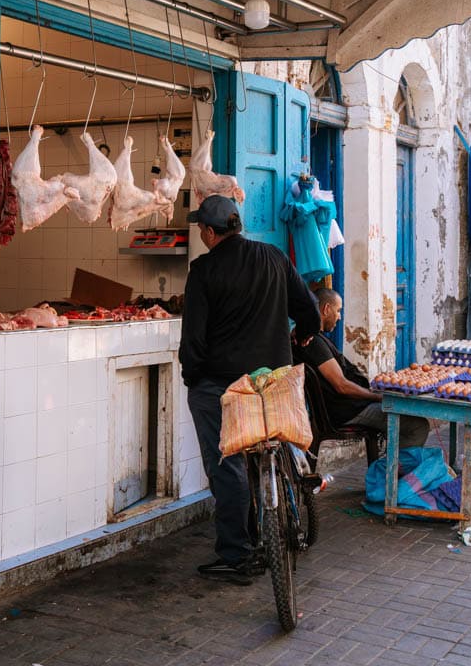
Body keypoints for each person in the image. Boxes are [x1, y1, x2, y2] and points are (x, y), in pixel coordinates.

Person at [179, 194, 321, 585]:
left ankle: (236, 554)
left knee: (226, 466)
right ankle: (296, 482)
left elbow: (192, 339)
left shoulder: (204, 271)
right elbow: (309, 308)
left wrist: (193, 379)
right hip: (272, 379)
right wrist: (304, 336)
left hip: (224, 386)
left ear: (209, 233)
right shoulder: (274, 257)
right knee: (278, 438)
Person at [294, 288, 429, 447]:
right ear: (326, 309)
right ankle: (391, 470)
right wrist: (375, 396)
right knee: (418, 426)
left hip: (350, 406)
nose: (339, 316)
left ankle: (394, 466)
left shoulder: (315, 339)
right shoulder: (314, 343)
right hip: (346, 411)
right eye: (338, 311)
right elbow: (341, 386)